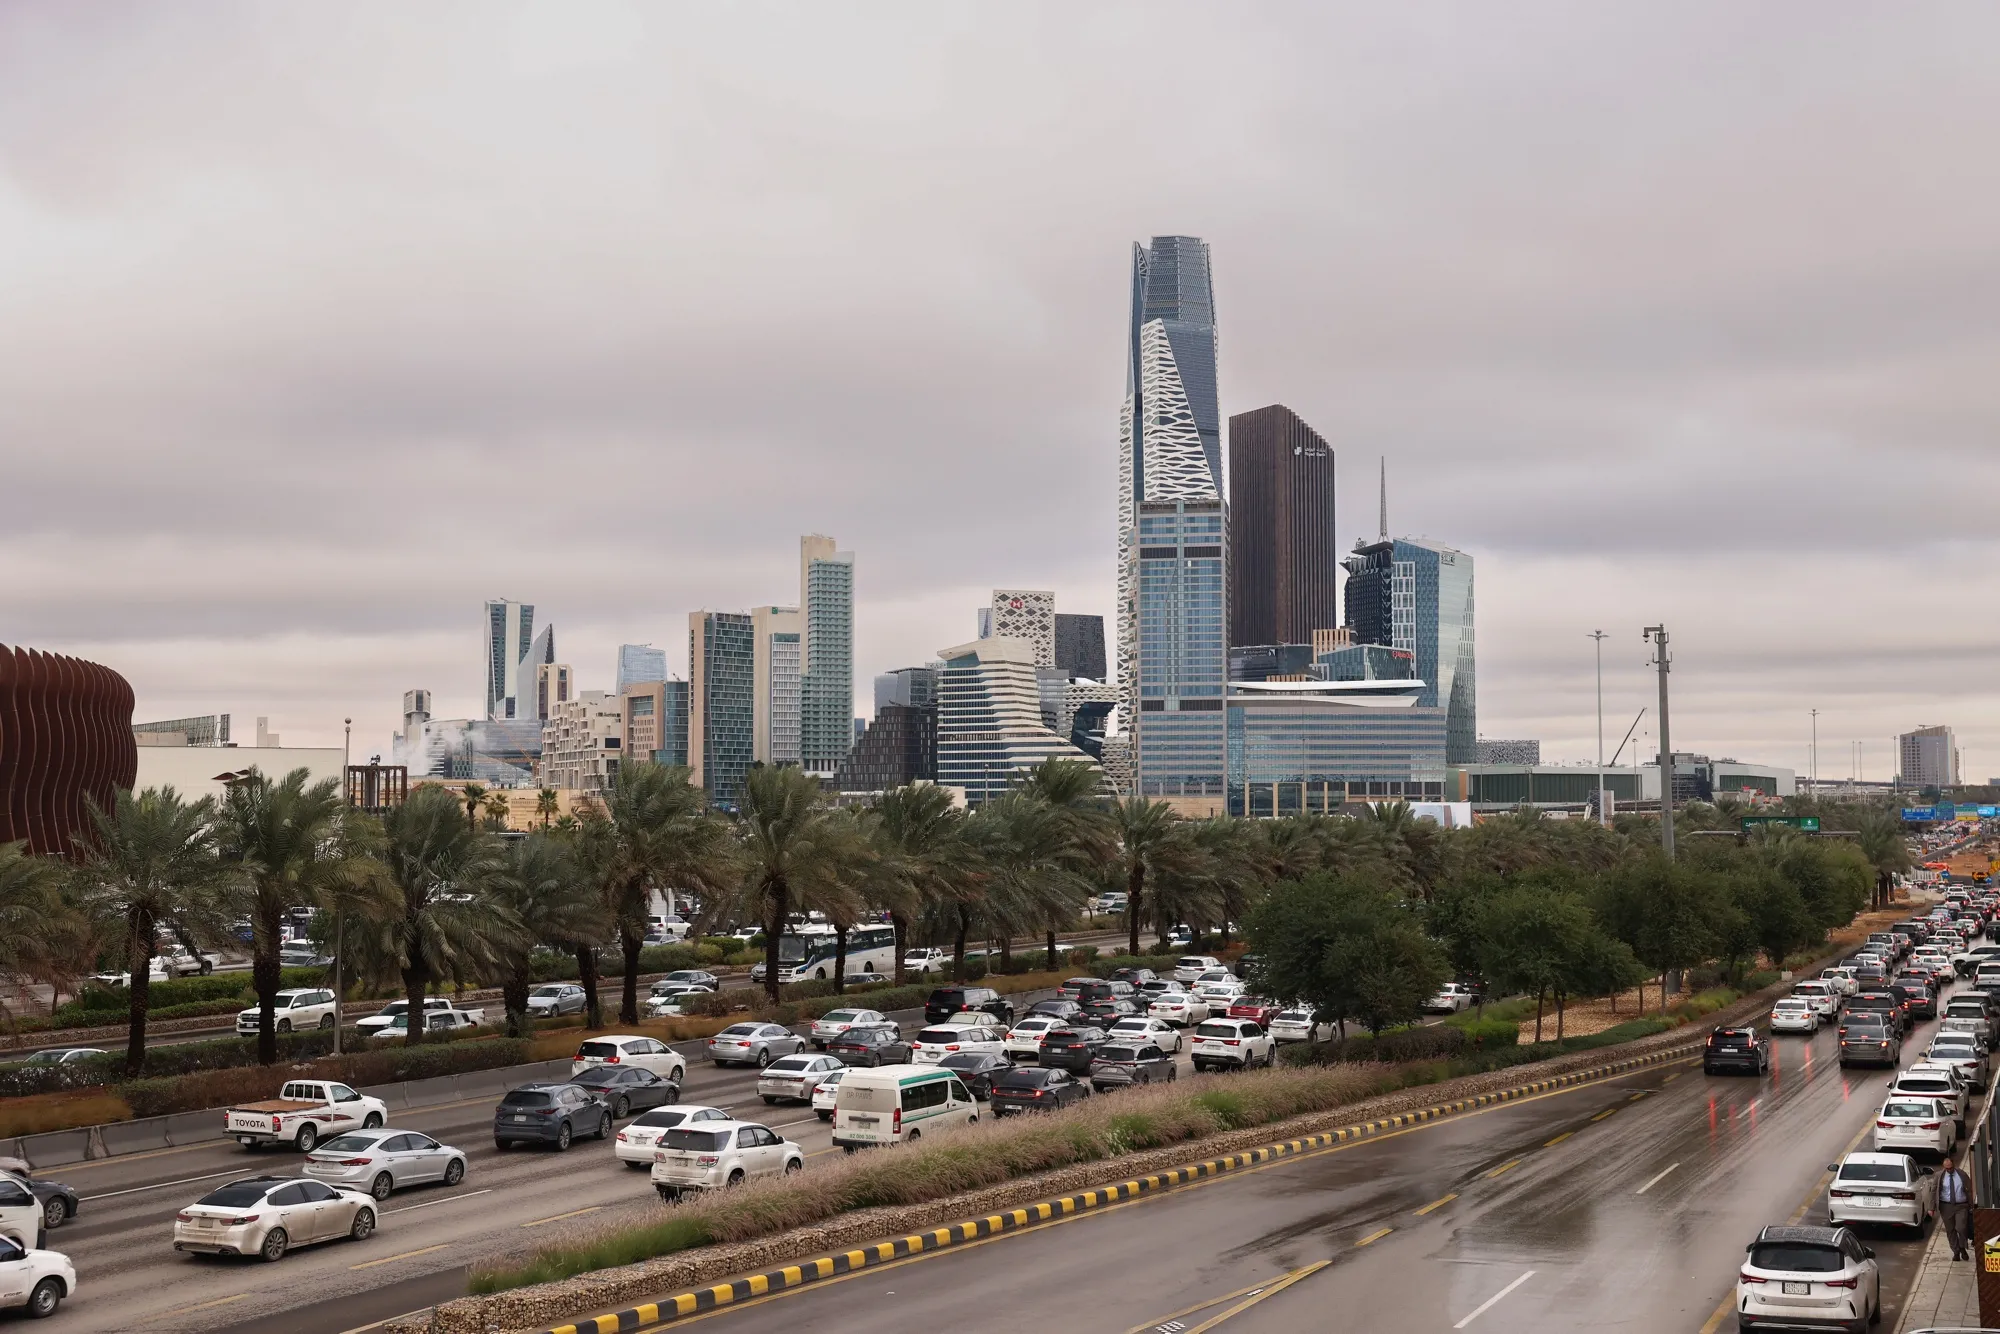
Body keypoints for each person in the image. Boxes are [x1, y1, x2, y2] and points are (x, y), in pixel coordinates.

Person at [1939, 1153, 1976, 1261]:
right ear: (1943, 1167)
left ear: (1954, 1165)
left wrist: (1972, 1204)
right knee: (1950, 1231)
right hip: (1946, 1206)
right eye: (1947, 1168)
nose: (1949, 1170)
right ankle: (1956, 1252)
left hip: (1961, 1206)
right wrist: (1932, 1208)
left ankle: (1962, 1247)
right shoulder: (1940, 1176)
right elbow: (1934, 1191)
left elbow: (1970, 1189)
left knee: (1961, 1227)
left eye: (1951, 1168)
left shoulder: (1962, 1174)